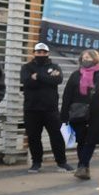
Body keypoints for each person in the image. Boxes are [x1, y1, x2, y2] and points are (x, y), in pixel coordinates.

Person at [60, 50, 99, 180]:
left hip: (97, 113)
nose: (86, 59)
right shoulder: (75, 75)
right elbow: (67, 95)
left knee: (91, 140)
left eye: (88, 57)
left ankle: (82, 165)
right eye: (84, 57)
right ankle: (84, 167)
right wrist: (64, 114)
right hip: (78, 113)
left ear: (95, 59)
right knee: (81, 141)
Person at [21, 43, 71, 173]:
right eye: (38, 52)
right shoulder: (27, 67)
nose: (41, 55)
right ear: (34, 53)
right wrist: (47, 78)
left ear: (48, 53)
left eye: (44, 52)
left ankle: (62, 162)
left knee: (57, 136)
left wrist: (37, 76)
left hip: (51, 109)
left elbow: (57, 80)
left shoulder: (55, 67)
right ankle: (36, 162)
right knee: (33, 137)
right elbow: (26, 82)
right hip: (32, 109)